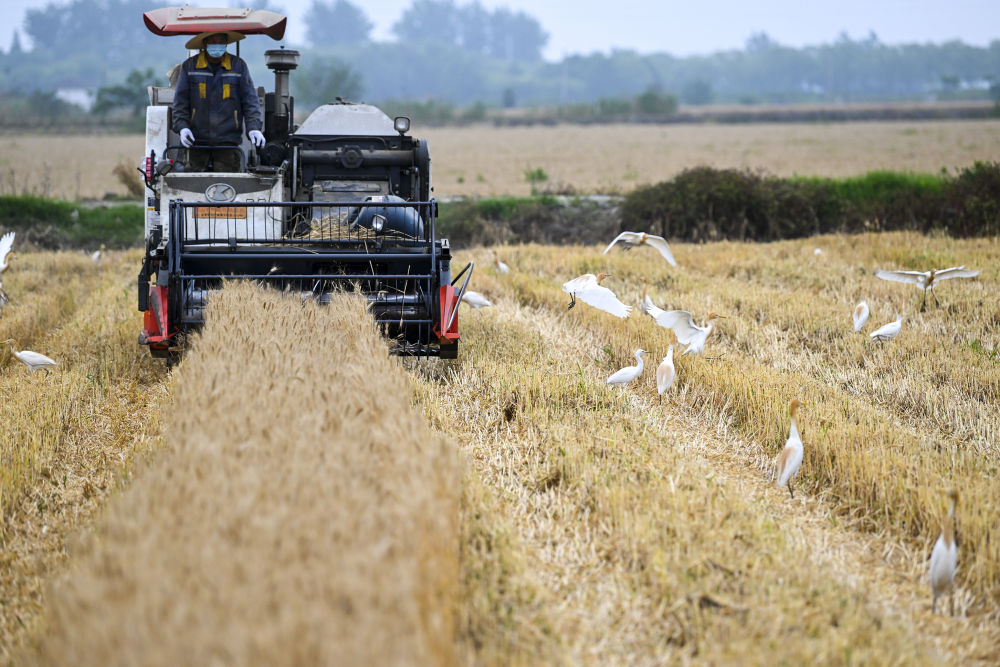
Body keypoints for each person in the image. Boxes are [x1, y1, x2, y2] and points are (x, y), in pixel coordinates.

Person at [172, 31, 265, 172]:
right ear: (204, 44)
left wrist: (254, 128)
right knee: (193, 187)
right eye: (213, 42)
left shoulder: (238, 66)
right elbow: (180, 103)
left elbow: (250, 101)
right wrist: (182, 127)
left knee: (227, 189)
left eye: (221, 42)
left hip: (228, 143)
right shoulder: (190, 67)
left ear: (226, 44)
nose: (217, 46)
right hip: (196, 143)